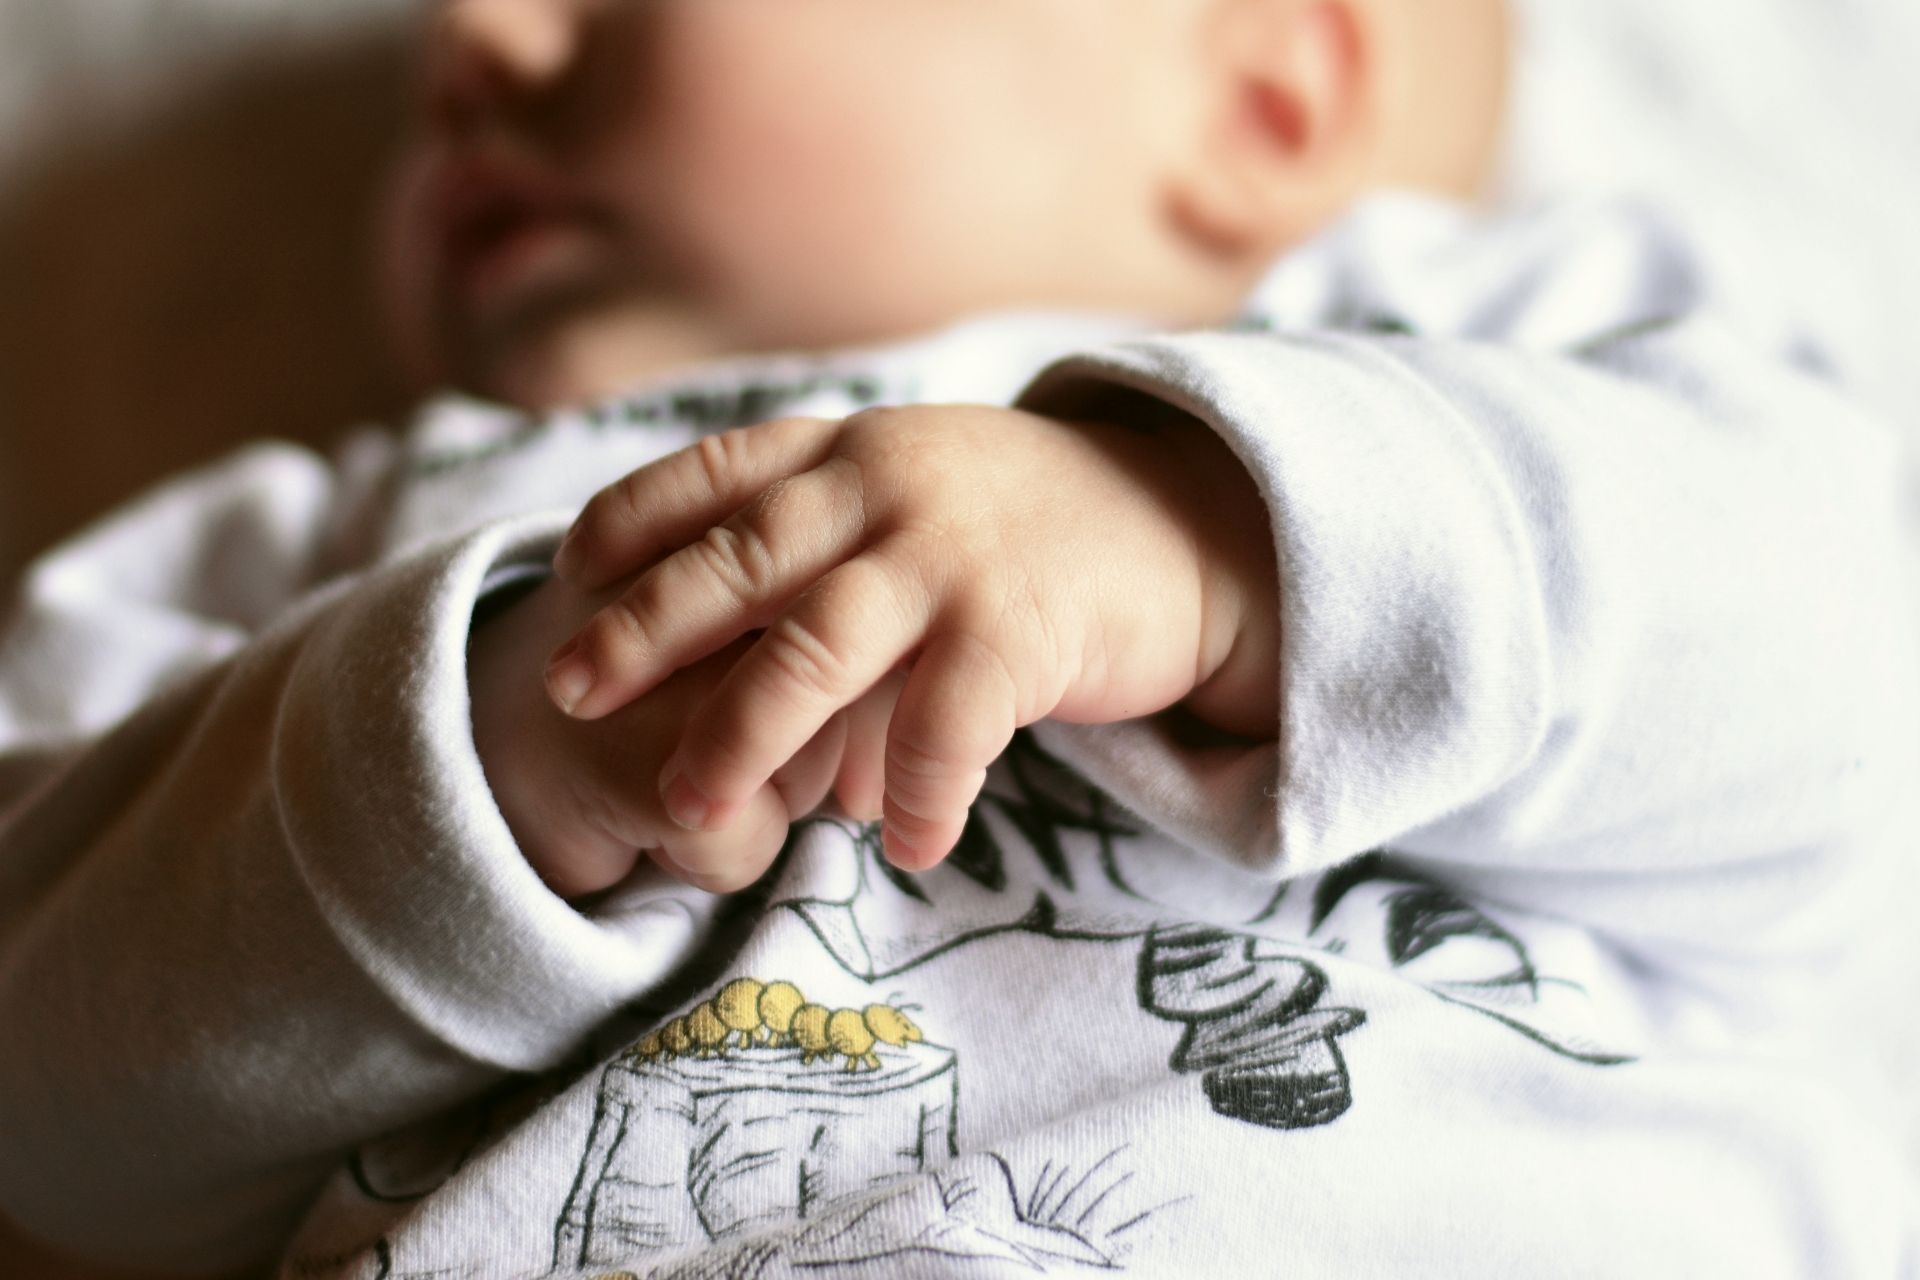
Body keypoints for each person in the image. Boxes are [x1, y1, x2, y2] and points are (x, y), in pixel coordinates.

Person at [2, 0, 1916, 1276]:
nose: (484, 40)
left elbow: (1836, 658)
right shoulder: (312, 542)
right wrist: (483, 746)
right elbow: (43, 1105)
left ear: (1263, 93)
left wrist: (1200, 536)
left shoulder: (1468, 346)